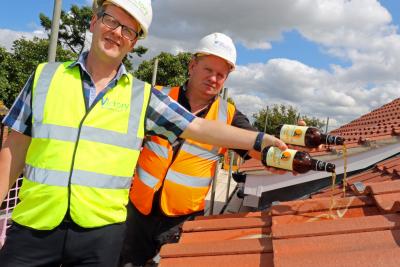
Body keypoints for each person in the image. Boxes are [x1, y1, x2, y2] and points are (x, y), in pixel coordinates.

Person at [0, 1, 286, 266]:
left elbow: (198, 128)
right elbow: (13, 150)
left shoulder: (148, 98)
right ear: (93, 21)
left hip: (114, 231)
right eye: (111, 21)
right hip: (40, 226)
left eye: (128, 29)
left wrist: (263, 143)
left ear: (134, 41)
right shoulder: (46, 78)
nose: (117, 33)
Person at [119, 33, 265, 267]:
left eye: (221, 75)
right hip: (138, 212)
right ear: (192, 66)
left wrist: (289, 151)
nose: (214, 79)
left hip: (180, 220)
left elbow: (257, 146)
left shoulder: (228, 116)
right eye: (208, 70)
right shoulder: (158, 97)